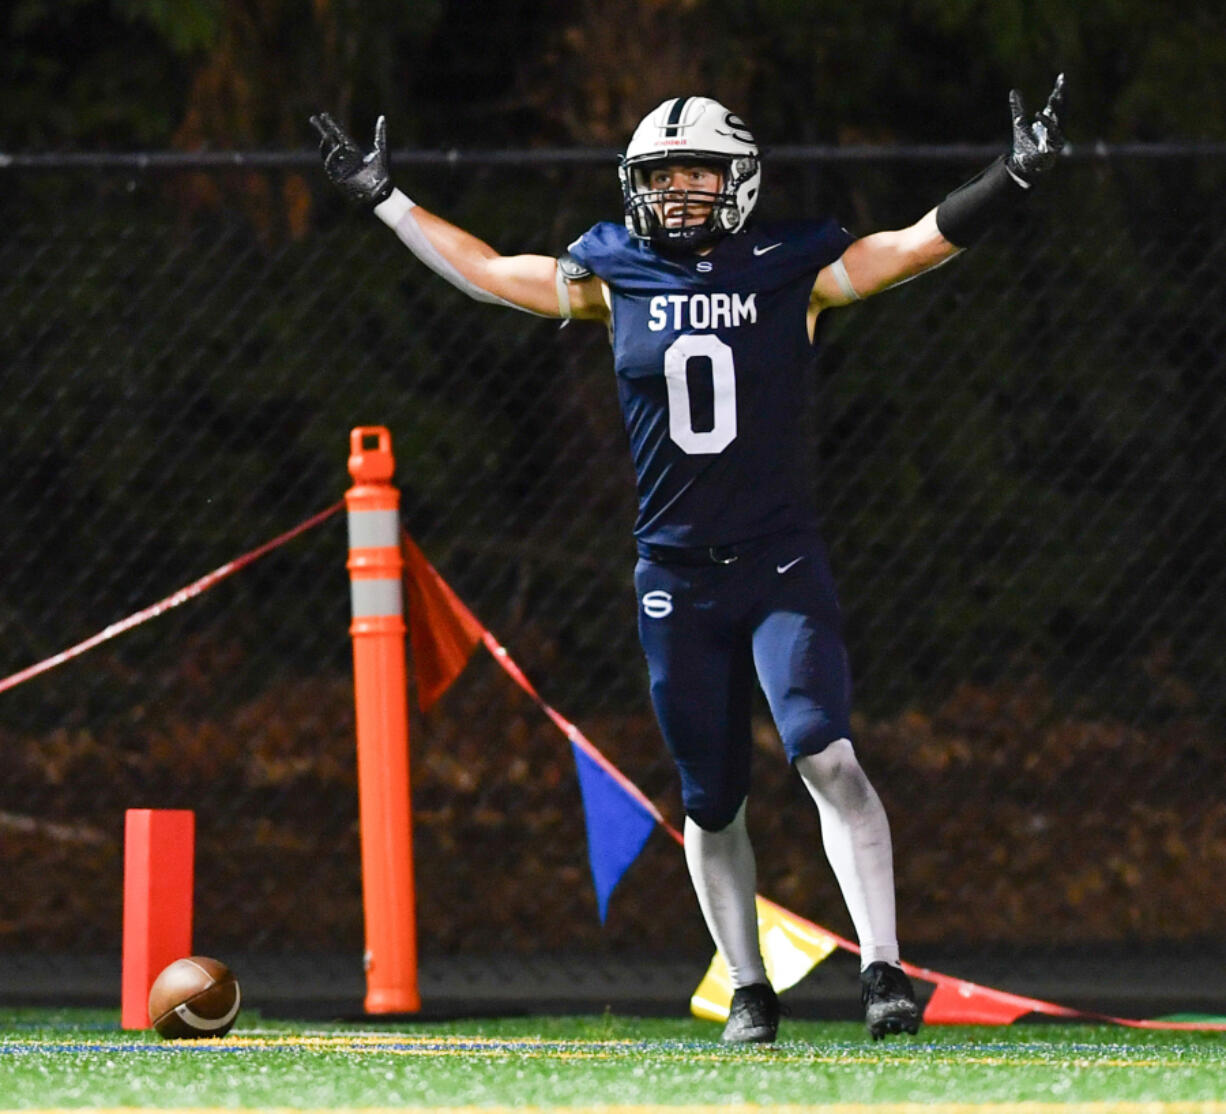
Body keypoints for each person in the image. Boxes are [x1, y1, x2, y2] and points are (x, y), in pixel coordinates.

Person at [311, 78, 1066, 1041]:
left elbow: (911, 248)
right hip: (674, 575)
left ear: (739, 179)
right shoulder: (615, 269)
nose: (676, 192)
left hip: (778, 562)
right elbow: (492, 272)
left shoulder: (790, 267)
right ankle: (750, 986)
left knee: (825, 754)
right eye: (661, 176)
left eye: (696, 172)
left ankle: (882, 970)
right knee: (711, 797)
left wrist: (1014, 176)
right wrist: (387, 200)